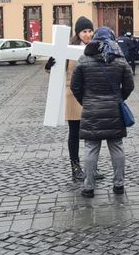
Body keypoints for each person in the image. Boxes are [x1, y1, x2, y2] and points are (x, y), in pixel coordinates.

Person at [70, 27, 134, 198]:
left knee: (91, 148)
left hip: (91, 109)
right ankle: (119, 185)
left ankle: (88, 187)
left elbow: (75, 86)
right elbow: (130, 85)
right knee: (117, 147)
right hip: (114, 109)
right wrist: (120, 98)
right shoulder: (120, 60)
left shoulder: (84, 60)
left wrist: (85, 101)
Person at [44, 17, 105, 182]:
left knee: (92, 134)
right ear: (78, 33)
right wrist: (49, 66)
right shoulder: (68, 49)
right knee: (75, 133)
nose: (88, 34)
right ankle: (75, 166)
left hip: (91, 96)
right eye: (84, 31)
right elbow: (56, 70)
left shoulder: (96, 48)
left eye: (90, 31)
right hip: (73, 96)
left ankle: (92, 166)